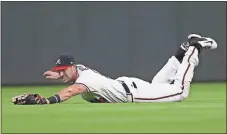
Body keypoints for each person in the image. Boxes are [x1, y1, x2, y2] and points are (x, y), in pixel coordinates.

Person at [12, 34, 217, 104]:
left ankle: (194, 48)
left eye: (64, 70)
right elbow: (69, 74)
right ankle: (180, 53)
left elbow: (71, 90)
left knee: (180, 91)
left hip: (133, 93)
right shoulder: (79, 70)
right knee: (158, 85)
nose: (62, 73)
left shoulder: (87, 80)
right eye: (61, 70)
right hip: (127, 84)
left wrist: (48, 100)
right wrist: (57, 74)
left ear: (73, 67)